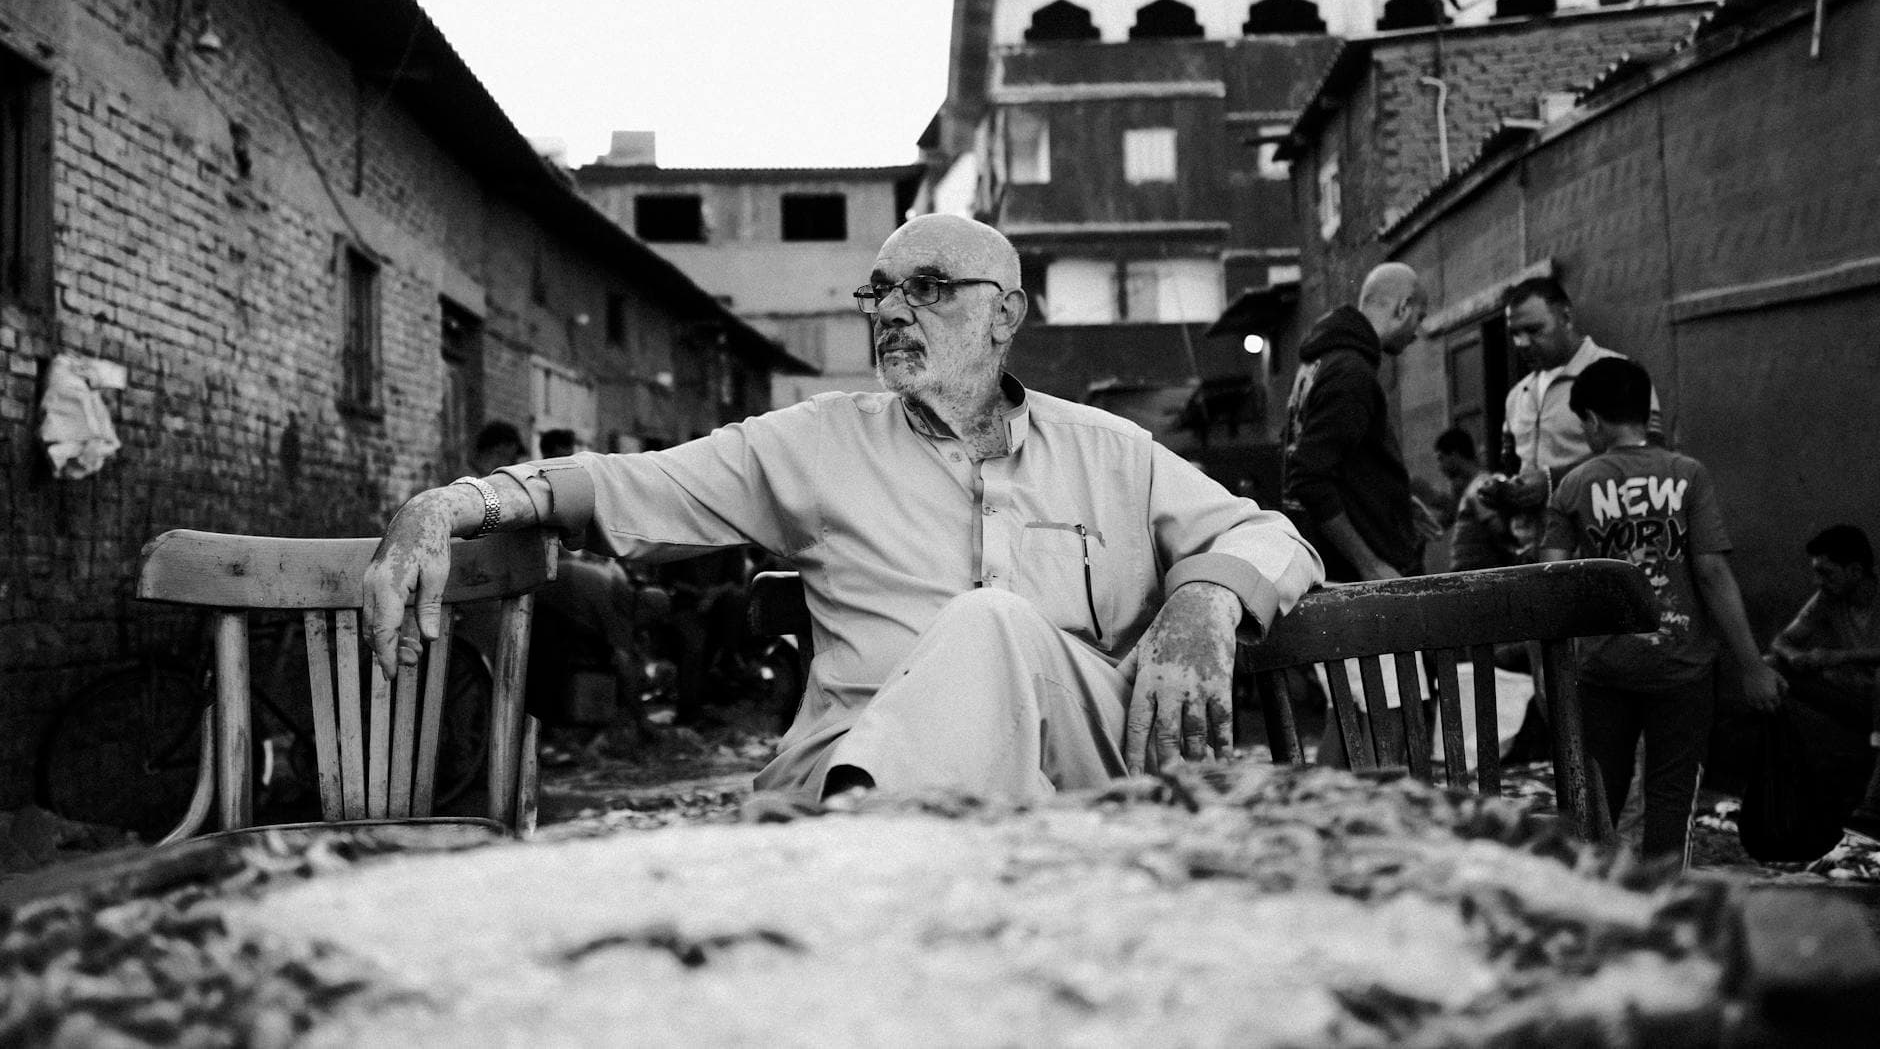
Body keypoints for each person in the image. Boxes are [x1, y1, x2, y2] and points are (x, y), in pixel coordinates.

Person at [362, 215, 1323, 802]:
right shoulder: (817, 442)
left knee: (992, 622)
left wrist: (1204, 601)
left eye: (930, 288)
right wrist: (451, 504)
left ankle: (871, 847)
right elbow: (630, 484)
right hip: (849, 764)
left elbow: (1268, 532)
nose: (893, 311)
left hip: (1070, 765)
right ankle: (886, 833)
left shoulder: (1110, 451)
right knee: (970, 642)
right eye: (881, 292)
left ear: (1006, 315)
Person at [1539, 357, 1783, 865]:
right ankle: (1663, 909)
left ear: (1594, 422)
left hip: (1604, 668)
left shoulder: (1572, 486)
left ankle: (1593, 905)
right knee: (1672, 798)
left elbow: (1551, 582)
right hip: (1684, 668)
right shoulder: (1687, 474)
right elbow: (1713, 573)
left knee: (1596, 802)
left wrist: (1547, 675)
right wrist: (1753, 666)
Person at [1281, 262, 1428, 765]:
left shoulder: (1320, 365)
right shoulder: (1350, 371)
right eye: (1419, 317)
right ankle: (1348, 831)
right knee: (1387, 723)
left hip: (1339, 575)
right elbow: (1310, 479)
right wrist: (1370, 564)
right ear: (1403, 307)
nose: (1419, 331)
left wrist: (1393, 501)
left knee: (1353, 714)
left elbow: (1333, 465)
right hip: (1360, 583)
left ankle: (1327, 829)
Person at [1494, 277, 1659, 560]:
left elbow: (1650, 455)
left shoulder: (1618, 374)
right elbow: (1511, 464)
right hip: (1532, 557)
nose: (1521, 343)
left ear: (1566, 317)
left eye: (1533, 330)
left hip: (1597, 555)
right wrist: (1502, 489)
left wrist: (1552, 481)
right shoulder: (1517, 396)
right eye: (1514, 333)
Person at [1767, 524, 1880, 843]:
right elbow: (1782, 641)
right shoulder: (1827, 598)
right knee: (1769, 668)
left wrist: (1839, 657)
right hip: (1857, 698)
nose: (1819, 581)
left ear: (1855, 570)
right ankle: (1782, 785)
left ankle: (1872, 807)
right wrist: (1794, 657)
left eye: (1826, 573)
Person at [1434, 427, 1512, 572]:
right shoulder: (1471, 487)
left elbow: (1497, 529)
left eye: (1441, 458)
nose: (1440, 467)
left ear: (1454, 455)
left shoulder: (1480, 486)